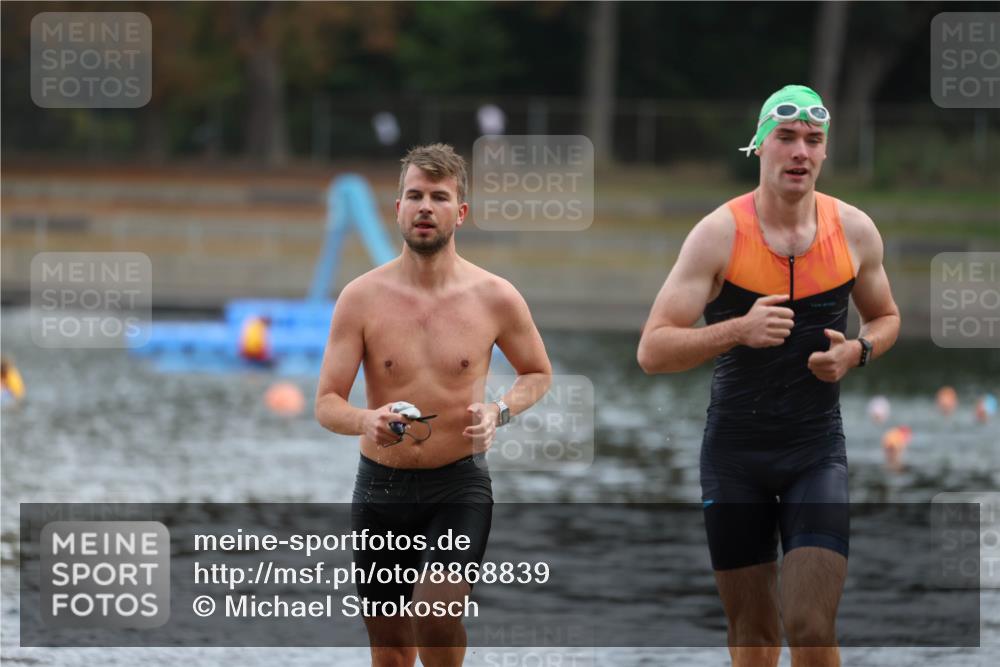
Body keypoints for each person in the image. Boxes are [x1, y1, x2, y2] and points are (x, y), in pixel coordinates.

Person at [637, 85, 901, 667]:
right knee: (754, 636)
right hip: (735, 456)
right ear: (759, 146)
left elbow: (886, 316)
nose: (799, 151)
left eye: (813, 140)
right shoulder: (719, 234)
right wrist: (736, 330)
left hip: (814, 452)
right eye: (785, 137)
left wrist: (857, 352)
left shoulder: (855, 230)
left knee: (810, 625)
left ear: (825, 152)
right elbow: (653, 351)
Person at [315, 143, 552, 667]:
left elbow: (538, 373)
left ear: (459, 213)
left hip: (458, 484)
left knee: (436, 614)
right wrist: (366, 419)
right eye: (415, 195)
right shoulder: (360, 298)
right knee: (392, 650)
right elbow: (327, 403)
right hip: (380, 488)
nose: (425, 206)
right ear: (397, 208)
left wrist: (499, 410)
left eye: (439, 197)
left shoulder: (495, 296)